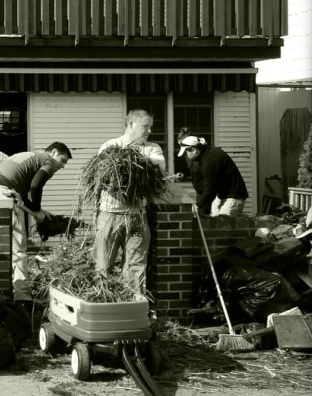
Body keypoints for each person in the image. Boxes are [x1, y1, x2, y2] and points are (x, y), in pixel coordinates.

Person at [0, 142, 73, 302]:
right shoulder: (48, 161)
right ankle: (22, 297)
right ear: (53, 152)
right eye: (63, 160)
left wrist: (36, 210)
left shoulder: (32, 157)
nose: (62, 165)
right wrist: (37, 210)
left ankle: (3, 289)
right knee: (18, 247)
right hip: (5, 191)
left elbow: (22, 194)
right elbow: (36, 185)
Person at [93, 110, 165, 299]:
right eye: (145, 126)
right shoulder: (111, 146)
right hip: (110, 214)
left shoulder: (152, 148)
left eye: (150, 127)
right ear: (131, 124)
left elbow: (159, 167)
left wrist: (130, 162)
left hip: (137, 217)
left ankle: (133, 303)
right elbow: (102, 176)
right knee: (104, 263)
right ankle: (102, 300)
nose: (149, 131)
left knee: (136, 265)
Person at [177, 128, 248, 218]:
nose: (185, 155)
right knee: (215, 224)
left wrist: (197, 205)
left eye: (185, 152)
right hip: (221, 194)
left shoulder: (209, 162)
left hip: (234, 195)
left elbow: (209, 190)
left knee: (223, 226)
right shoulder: (205, 154)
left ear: (194, 150)